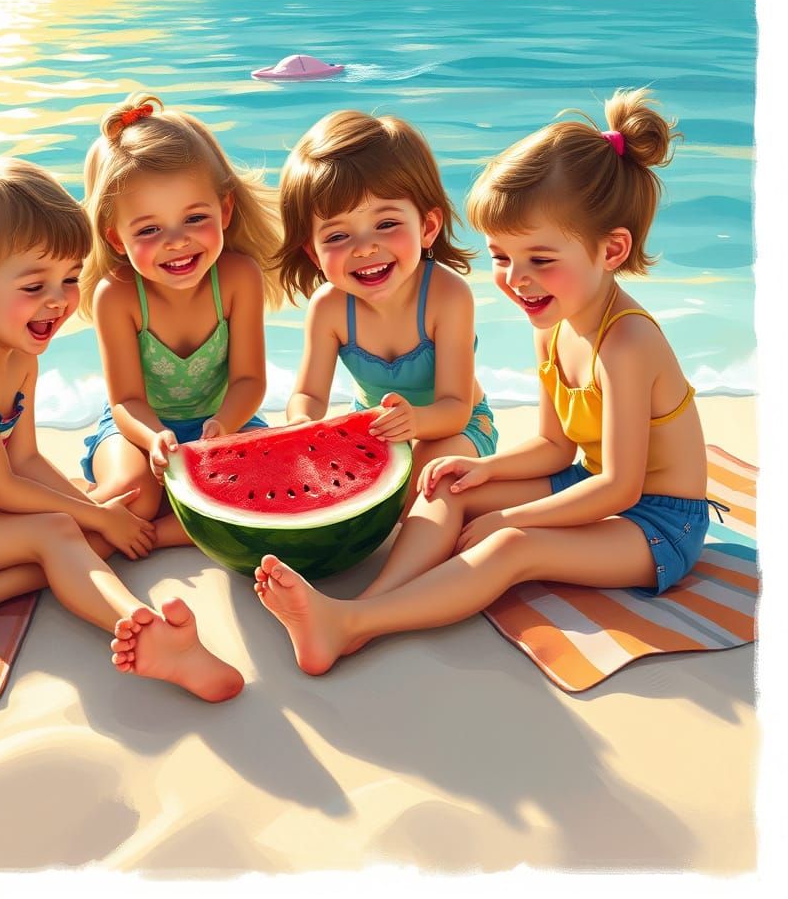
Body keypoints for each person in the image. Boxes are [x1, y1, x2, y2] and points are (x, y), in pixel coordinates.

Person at [254, 88, 720, 676]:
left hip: (660, 525)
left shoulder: (627, 344)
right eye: (501, 257)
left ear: (612, 250)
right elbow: (556, 448)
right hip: (588, 483)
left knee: (510, 548)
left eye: (540, 259)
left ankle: (355, 622)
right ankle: (356, 612)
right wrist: (481, 471)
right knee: (447, 487)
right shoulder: (550, 322)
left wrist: (513, 518)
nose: (517, 280)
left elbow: (620, 489)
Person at [0, 157, 243, 702]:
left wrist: (102, 514)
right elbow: (0, 488)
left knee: (99, 516)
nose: (59, 300)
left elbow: (27, 459)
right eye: (35, 285)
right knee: (63, 528)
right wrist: (94, 515)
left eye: (70, 278)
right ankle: (147, 632)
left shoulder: (18, 352)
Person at [78, 94, 284, 548]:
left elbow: (249, 380)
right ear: (116, 237)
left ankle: (151, 537)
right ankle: (45, 546)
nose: (177, 242)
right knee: (135, 498)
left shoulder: (237, 277)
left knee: (268, 496)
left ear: (225, 211)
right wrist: (155, 440)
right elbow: (127, 401)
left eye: (194, 218)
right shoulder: (117, 296)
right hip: (137, 433)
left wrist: (225, 425)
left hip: (227, 422)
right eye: (149, 230)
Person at [274, 109, 497, 508]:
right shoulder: (328, 308)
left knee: (428, 481)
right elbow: (308, 393)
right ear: (313, 251)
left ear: (427, 227)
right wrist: (302, 423)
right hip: (374, 429)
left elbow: (455, 407)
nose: (364, 248)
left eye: (387, 224)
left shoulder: (447, 296)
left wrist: (417, 421)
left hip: (457, 425)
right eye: (338, 235)